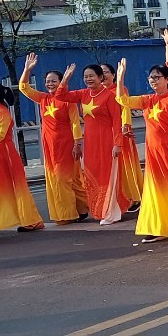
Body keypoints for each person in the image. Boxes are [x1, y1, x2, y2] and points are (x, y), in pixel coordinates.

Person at [116, 59, 168, 243]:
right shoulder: (147, 100)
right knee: (155, 190)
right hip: (153, 153)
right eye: (151, 78)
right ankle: (158, 226)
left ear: (167, 79)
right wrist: (120, 79)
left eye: (157, 77)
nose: (153, 81)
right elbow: (123, 100)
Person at [19, 54, 88, 225]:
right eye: (48, 81)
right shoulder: (43, 98)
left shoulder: (68, 99)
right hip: (50, 145)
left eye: (54, 81)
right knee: (65, 179)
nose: (50, 84)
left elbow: (75, 123)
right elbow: (23, 87)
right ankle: (84, 208)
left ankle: (67, 214)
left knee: (62, 179)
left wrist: (78, 143)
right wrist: (27, 69)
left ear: (61, 82)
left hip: (66, 144)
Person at [54, 63, 124, 224]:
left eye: (91, 76)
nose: (88, 79)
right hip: (90, 142)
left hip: (106, 140)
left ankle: (109, 212)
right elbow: (60, 96)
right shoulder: (83, 94)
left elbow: (116, 122)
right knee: (92, 175)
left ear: (101, 77)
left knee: (107, 175)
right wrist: (65, 78)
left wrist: (117, 144)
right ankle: (99, 210)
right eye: (85, 76)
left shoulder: (109, 96)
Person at [0, 81, 45, 233]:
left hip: (3, 154)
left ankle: (31, 221)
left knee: (15, 187)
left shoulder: (2, 112)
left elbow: (0, 135)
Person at [101, 62, 143, 214]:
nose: (103, 75)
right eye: (100, 72)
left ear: (113, 75)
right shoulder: (97, 92)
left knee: (127, 165)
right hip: (106, 134)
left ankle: (134, 197)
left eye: (106, 72)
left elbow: (125, 108)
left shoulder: (119, 90)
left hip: (122, 132)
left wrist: (125, 126)